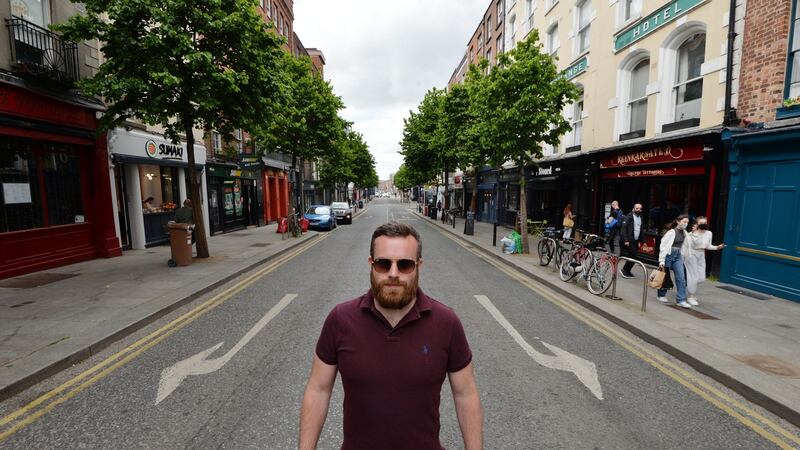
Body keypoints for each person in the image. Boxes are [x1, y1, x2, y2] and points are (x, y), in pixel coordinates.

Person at [299, 222, 483, 450]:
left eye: (405, 265)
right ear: (371, 264)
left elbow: (466, 395)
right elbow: (318, 389)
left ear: (419, 266)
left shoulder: (447, 323)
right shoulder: (340, 320)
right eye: (383, 264)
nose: (393, 274)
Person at [685, 216, 726, 306]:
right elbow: (693, 244)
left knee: (701, 278)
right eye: (701, 223)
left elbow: (708, 246)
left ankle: (688, 285)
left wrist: (717, 247)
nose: (703, 225)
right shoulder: (691, 234)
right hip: (691, 255)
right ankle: (690, 296)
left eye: (705, 223)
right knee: (694, 277)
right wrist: (695, 232)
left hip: (701, 255)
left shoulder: (709, 233)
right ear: (697, 224)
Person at [657, 214, 691, 308]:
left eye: (687, 222)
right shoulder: (671, 232)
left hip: (678, 255)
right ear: (678, 221)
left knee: (681, 277)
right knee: (665, 275)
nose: (686, 224)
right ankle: (661, 295)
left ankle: (681, 300)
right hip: (669, 254)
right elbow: (663, 246)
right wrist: (661, 260)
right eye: (684, 222)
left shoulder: (685, 233)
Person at [619, 203, 645, 278]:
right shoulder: (629, 217)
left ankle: (627, 270)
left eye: (640, 208)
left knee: (633, 256)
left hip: (636, 240)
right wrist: (625, 240)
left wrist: (643, 241)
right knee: (634, 255)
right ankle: (624, 270)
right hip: (629, 240)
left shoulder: (641, 217)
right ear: (633, 209)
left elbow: (641, 229)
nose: (639, 210)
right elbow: (623, 229)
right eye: (637, 208)